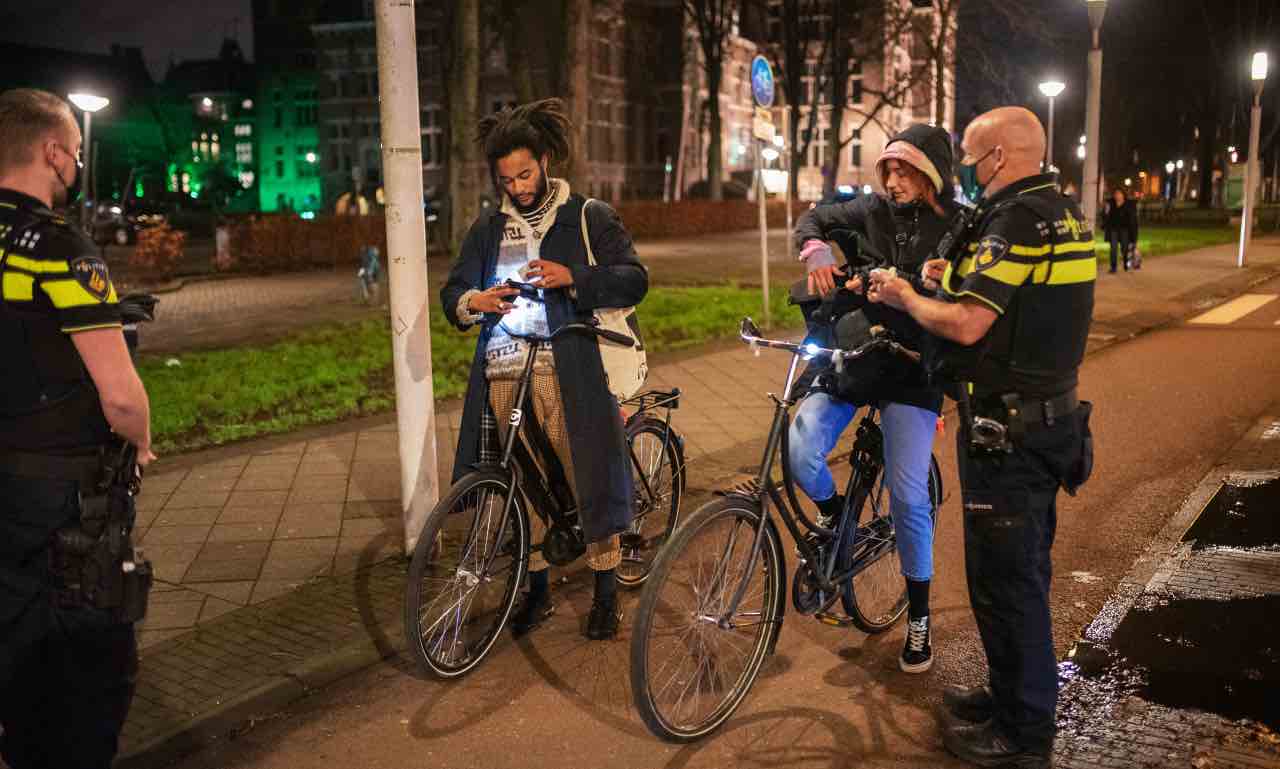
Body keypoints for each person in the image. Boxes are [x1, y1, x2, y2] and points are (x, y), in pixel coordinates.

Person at [866, 106, 1095, 769]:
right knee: (1013, 575)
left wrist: (907, 297)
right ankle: (1008, 697)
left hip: (1011, 435)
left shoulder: (1017, 220)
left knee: (1007, 583)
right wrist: (947, 276)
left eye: (970, 156)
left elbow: (969, 323)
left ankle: (1023, 733)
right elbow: (1021, 301)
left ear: (997, 156)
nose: (965, 168)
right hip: (1044, 420)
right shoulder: (1061, 213)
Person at [441, 99, 647, 641]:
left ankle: (605, 590)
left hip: (568, 369)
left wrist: (573, 276)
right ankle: (537, 590)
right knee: (520, 486)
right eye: (506, 179)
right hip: (502, 370)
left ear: (546, 162)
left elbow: (634, 279)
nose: (517, 187)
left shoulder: (587, 216)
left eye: (525, 174)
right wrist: (474, 301)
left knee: (584, 477)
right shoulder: (487, 229)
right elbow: (453, 291)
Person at [0, 88, 156, 769]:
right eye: (77, 152)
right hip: (63, 507)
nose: (77, 165)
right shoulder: (59, 246)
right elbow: (119, 396)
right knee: (89, 683)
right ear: (53, 153)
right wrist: (141, 440)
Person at [790, 124, 957, 674]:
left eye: (906, 170)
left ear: (931, 174)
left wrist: (941, 281)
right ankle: (838, 521)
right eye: (889, 169)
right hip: (857, 353)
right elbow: (813, 218)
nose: (894, 180)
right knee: (800, 449)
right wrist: (815, 249)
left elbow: (973, 286)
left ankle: (919, 616)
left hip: (912, 368)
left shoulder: (957, 223)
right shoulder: (870, 210)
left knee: (907, 495)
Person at [1103, 188, 1139, 273]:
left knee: (1124, 248)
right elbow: (1106, 216)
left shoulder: (1128, 205)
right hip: (1114, 230)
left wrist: (1134, 235)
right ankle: (1113, 267)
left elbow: (1133, 219)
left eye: (1119, 194)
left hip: (1125, 230)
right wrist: (1105, 212)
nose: (1117, 196)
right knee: (1113, 249)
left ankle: (1126, 264)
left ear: (1123, 195)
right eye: (1116, 194)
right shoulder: (1111, 204)